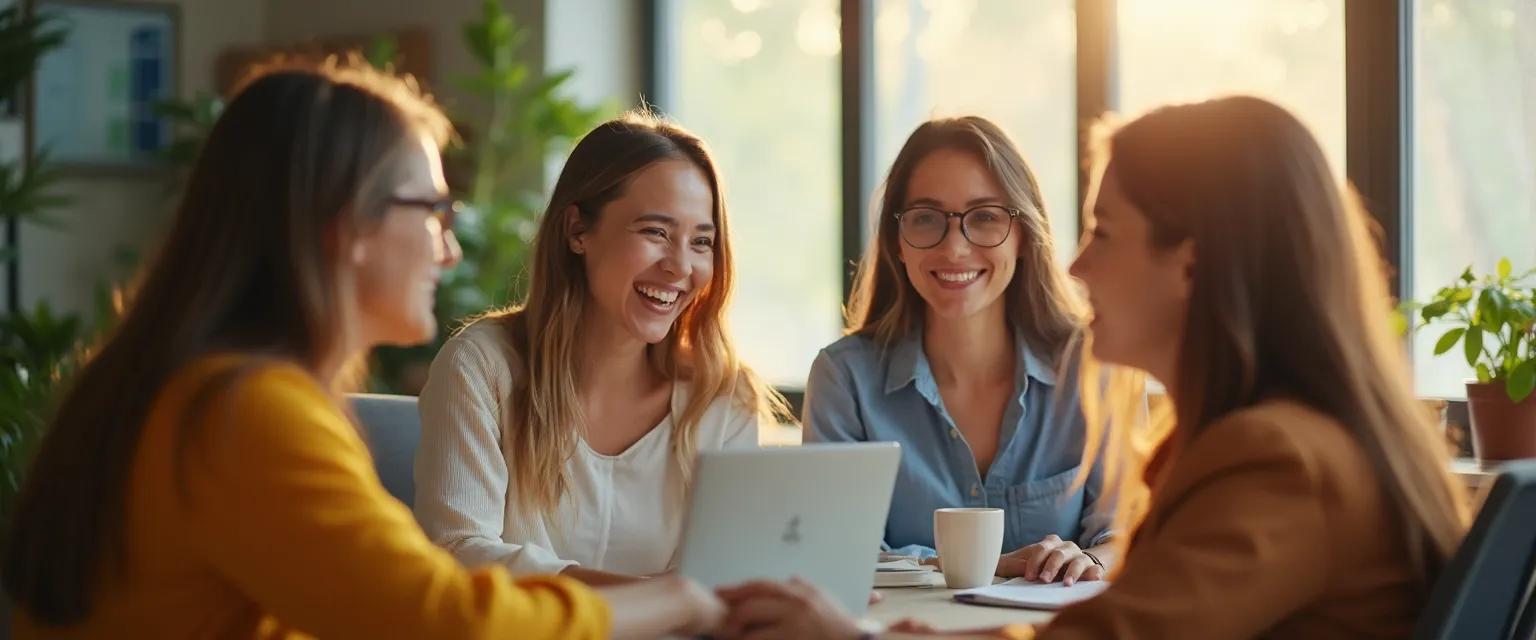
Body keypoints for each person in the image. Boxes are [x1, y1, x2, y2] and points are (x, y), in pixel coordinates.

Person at [2, 58, 724, 639]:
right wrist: (676, 602)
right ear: (341, 227)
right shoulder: (251, 412)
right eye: (433, 211)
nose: (448, 249)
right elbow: (443, 619)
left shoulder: (203, 386)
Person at [723, 96, 1472, 639]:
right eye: (927, 220)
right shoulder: (1276, 442)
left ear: (1191, 264)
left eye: (1103, 233)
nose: (1077, 265)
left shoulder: (1275, 462)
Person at [414, 111, 787, 585]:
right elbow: (457, 552)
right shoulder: (481, 367)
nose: (680, 266)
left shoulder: (722, 394)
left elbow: (731, 571)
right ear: (577, 231)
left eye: (701, 242)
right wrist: (659, 598)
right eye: (656, 232)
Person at [804, 117, 1118, 585]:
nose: (954, 248)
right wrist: (975, 563)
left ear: (1024, 236)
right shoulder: (844, 377)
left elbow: (1129, 533)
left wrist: (1092, 560)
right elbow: (836, 550)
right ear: (897, 242)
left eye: (986, 217)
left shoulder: (1094, 367)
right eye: (926, 218)